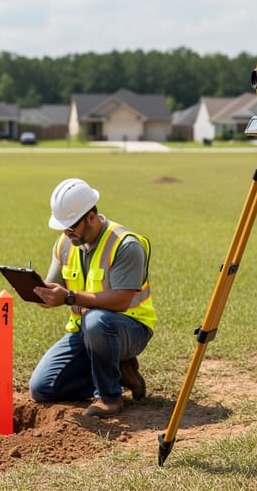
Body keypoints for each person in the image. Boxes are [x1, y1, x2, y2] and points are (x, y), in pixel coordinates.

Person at [30, 178, 157, 418]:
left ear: (91, 216)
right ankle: (119, 371)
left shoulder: (125, 245)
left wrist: (68, 297)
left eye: (71, 226)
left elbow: (121, 301)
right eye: (63, 227)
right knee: (42, 388)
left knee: (97, 321)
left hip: (130, 329)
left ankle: (109, 397)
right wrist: (37, 291)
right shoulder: (65, 244)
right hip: (85, 331)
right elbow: (56, 286)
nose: (67, 233)